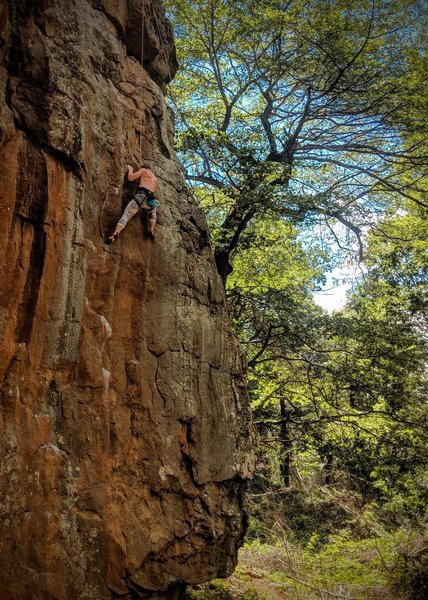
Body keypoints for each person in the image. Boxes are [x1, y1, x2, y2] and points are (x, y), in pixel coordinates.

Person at [106, 164, 158, 244]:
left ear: (144, 167)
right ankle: (151, 230)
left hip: (141, 196)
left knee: (126, 215)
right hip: (151, 200)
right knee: (153, 212)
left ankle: (116, 233)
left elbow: (130, 178)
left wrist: (130, 169)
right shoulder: (155, 178)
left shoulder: (143, 170)